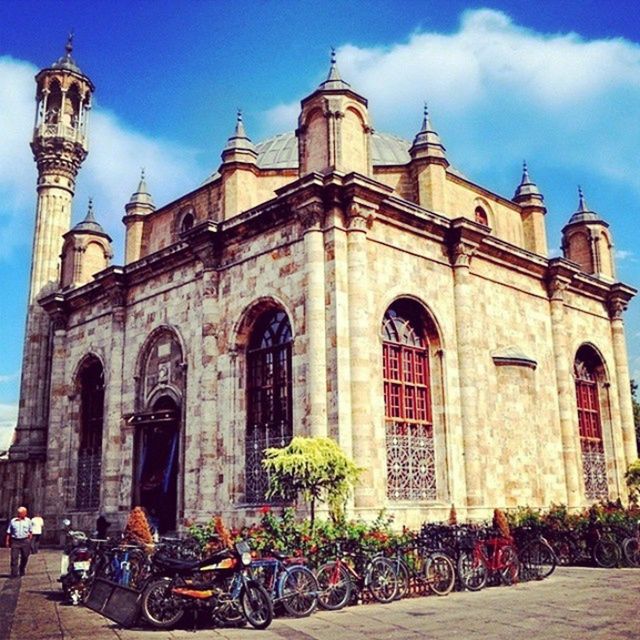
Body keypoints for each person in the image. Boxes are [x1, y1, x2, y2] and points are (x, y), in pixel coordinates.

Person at [5, 506, 32, 578]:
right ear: (19, 514)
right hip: (15, 541)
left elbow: (30, 531)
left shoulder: (28, 521)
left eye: (24, 513)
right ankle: (14, 573)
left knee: (25, 556)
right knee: (14, 557)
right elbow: (8, 532)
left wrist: (29, 540)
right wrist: (7, 541)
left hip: (25, 540)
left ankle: (22, 568)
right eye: (22, 513)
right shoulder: (13, 521)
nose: (24, 514)